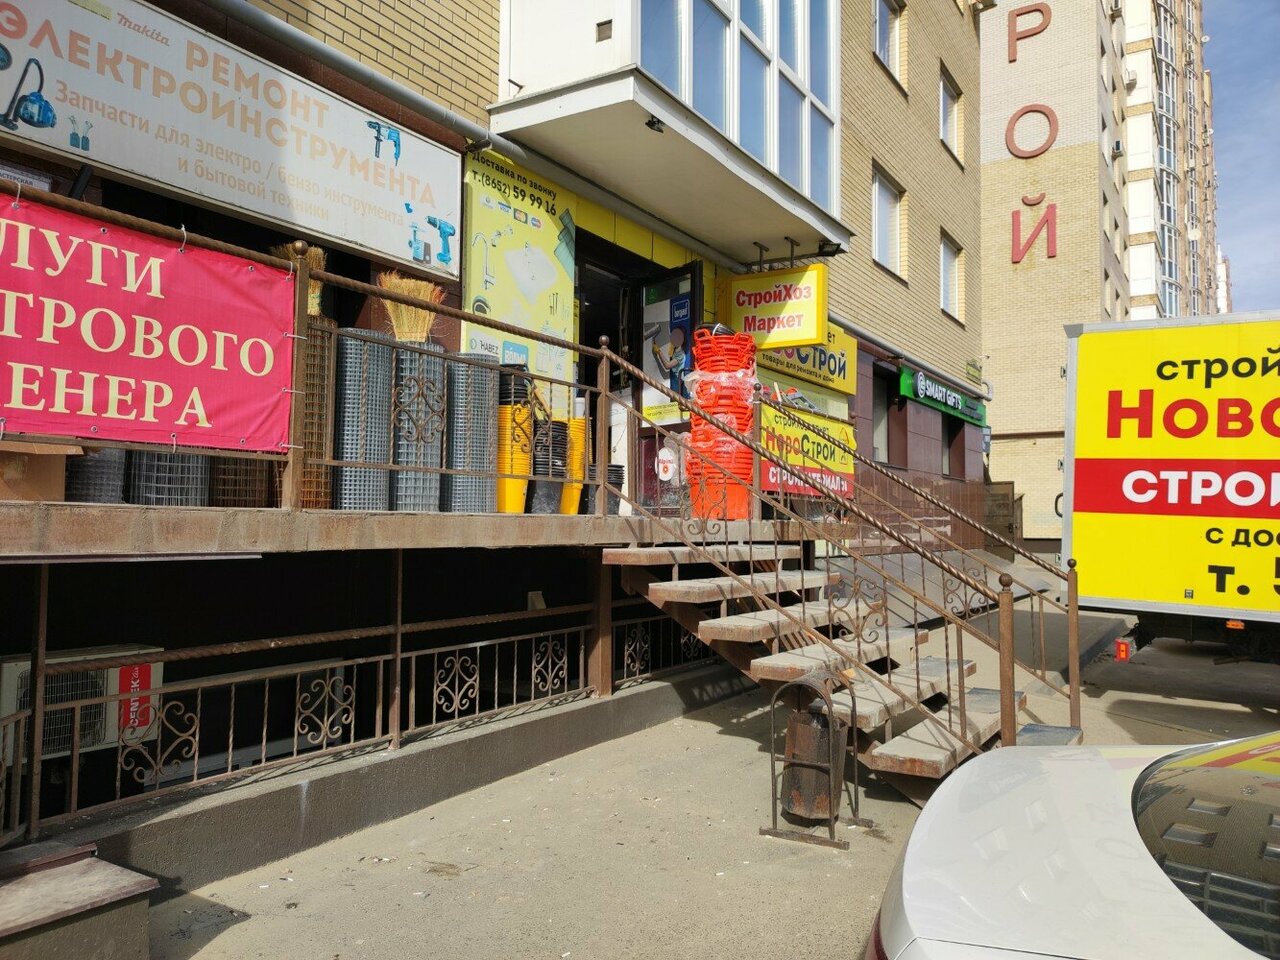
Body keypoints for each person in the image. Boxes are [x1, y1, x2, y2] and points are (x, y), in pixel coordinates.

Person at [651, 325, 687, 397]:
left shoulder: (681, 355)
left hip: (678, 381)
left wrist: (659, 351)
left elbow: (667, 366)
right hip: (674, 380)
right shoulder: (674, 350)